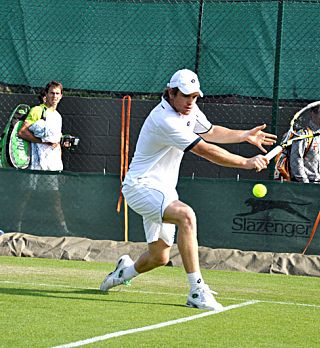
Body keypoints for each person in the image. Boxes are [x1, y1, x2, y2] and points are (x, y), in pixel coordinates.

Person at [100, 69, 277, 310]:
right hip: (140, 187)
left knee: (159, 257)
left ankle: (123, 272)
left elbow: (211, 131)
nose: (190, 102)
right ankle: (196, 290)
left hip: (164, 190)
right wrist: (245, 163)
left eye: (194, 97)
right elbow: (204, 149)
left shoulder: (189, 110)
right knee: (186, 215)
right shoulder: (165, 119)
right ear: (171, 93)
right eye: (185, 96)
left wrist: (243, 136)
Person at [17, 81, 70, 234]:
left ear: (61, 96)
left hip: (52, 164)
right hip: (35, 162)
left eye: (57, 93)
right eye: (52, 93)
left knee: (55, 197)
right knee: (26, 195)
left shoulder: (58, 117)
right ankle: (17, 227)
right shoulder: (37, 111)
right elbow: (22, 132)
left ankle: (63, 230)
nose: (54, 96)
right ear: (46, 95)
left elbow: (55, 141)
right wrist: (42, 141)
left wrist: (60, 149)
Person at [290, 105, 320, 183]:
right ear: (313, 113)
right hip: (308, 184)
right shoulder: (303, 134)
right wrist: (305, 183)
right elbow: (296, 160)